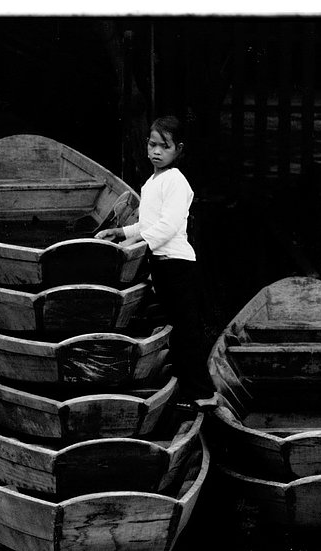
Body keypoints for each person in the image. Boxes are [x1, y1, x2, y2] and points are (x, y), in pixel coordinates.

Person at [96, 115, 215, 404]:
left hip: (178, 265)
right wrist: (121, 231)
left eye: (165, 146)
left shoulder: (175, 180)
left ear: (178, 150)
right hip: (161, 265)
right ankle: (183, 390)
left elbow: (168, 227)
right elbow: (150, 222)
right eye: (152, 145)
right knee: (173, 327)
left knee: (187, 329)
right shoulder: (153, 181)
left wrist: (136, 243)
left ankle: (203, 393)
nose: (156, 151)